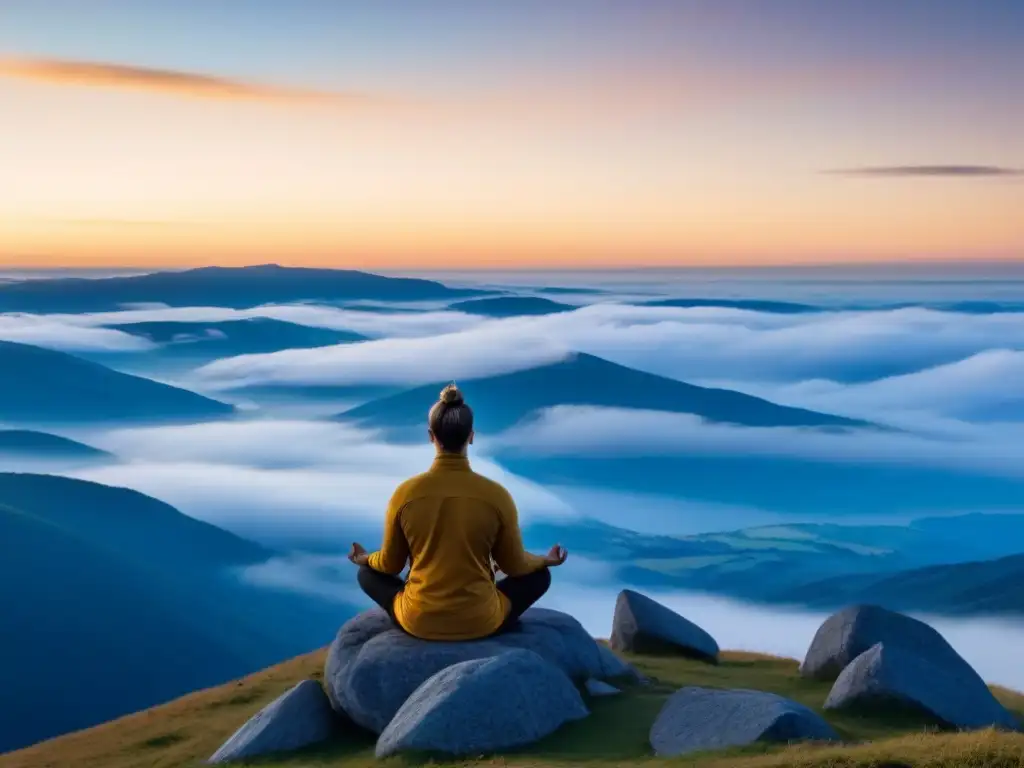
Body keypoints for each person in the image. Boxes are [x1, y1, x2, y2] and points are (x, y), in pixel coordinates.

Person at [348, 382, 568, 641]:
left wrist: (365, 559)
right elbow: (516, 566)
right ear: (471, 436)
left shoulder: (405, 494)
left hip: (418, 621)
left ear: (431, 435)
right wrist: (544, 560)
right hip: (481, 621)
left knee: (367, 575)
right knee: (539, 577)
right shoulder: (496, 495)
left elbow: (390, 564)